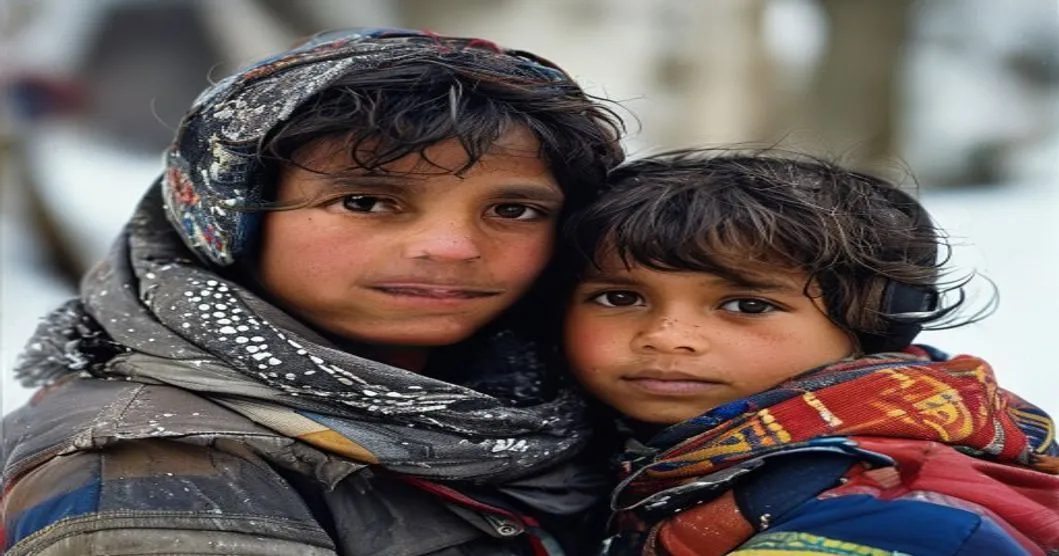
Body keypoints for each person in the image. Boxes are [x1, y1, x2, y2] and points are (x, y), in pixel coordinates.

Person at [2, 29, 624, 556]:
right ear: (229, 221)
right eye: (365, 201)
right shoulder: (154, 466)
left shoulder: (586, 409)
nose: (453, 247)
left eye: (514, 209)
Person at [561, 150, 1059, 555]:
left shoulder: (887, 513)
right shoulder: (655, 456)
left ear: (874, 326)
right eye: (619, 298)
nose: (667, 336)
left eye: (747, 305)